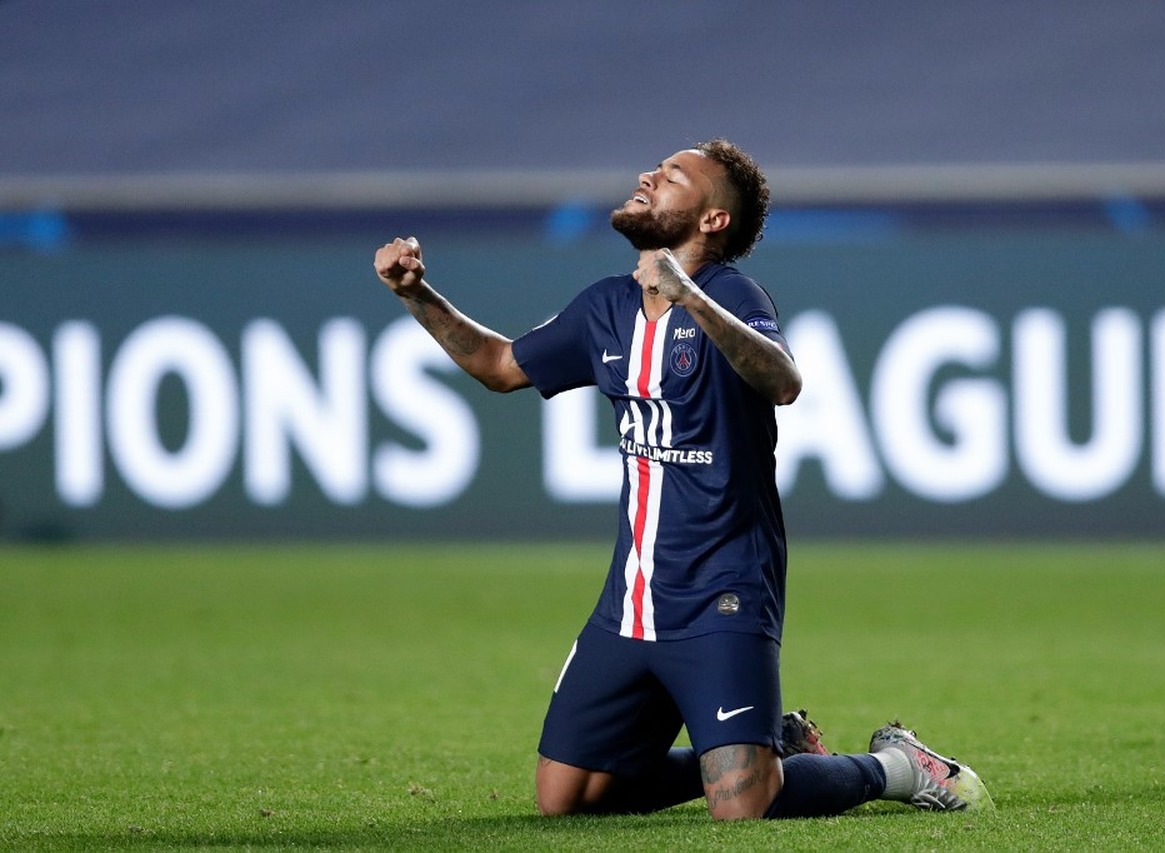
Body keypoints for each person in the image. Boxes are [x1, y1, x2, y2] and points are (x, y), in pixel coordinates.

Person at [373, 139, 992, 820]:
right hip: (630, 603)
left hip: (722, 594)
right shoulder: (605, 307)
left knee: (744, 808)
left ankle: (897, 765)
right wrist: (416, 294)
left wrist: (690, 296)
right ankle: (773, 745)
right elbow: (499, 364)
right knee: (567, 798)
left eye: (671, 177)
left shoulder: (732, 296)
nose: (646, 176)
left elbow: (782, 380)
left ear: (711, 221)